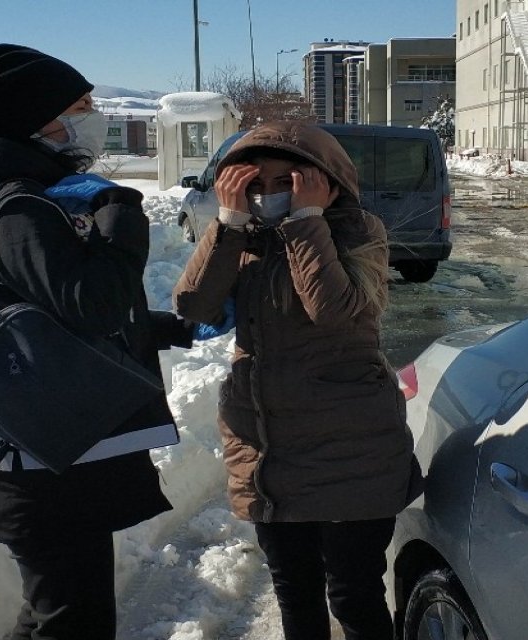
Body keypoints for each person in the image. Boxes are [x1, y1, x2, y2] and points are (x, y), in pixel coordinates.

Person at [0, 44, 230, 640]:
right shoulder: (17, 205)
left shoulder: (7, 196)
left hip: (27, 444)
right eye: (81, 105)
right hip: (31, 457)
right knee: (73, 620)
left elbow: (43, 314)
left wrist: (168, 328)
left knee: (54, 611)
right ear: (36, 120)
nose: (96, 115)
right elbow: (93, 305)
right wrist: (120, 212)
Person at [173, 121, 422, 640]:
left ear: (326, 181)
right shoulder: (240, 238)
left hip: (351, 451)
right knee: (295, 591)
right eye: (255, 183)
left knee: (354, 595)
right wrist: (228, 222)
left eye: (287, 182)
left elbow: (334, 312)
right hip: (268, 448)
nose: (269, 194)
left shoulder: (359, 233)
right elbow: (193, 306)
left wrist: (306, 219)